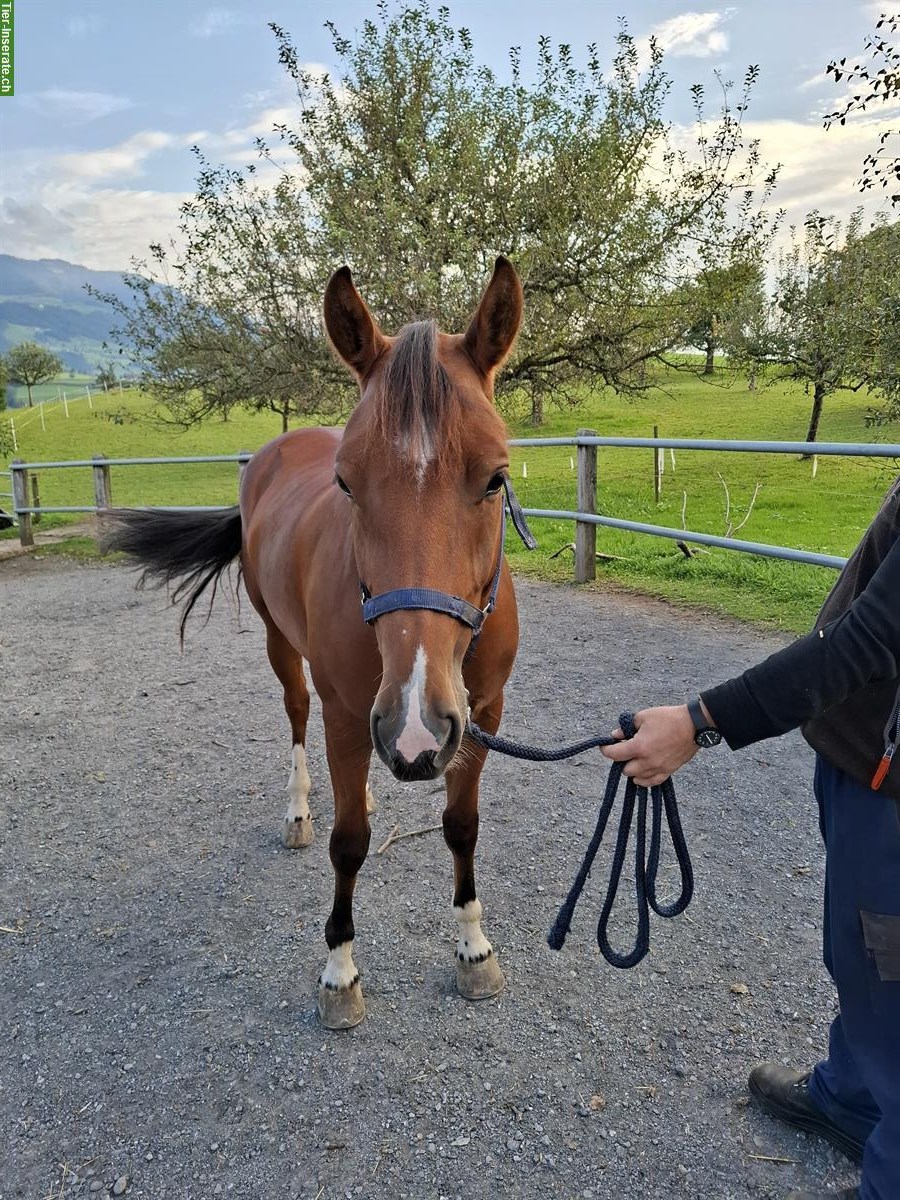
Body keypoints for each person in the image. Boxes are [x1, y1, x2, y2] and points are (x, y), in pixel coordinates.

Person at [601, 476, 900, 1200]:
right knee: (861, 961)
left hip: (892, 792)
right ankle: (856, 1097)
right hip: (867, 765)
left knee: (892, 977)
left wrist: (703, 720)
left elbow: (865, 640)